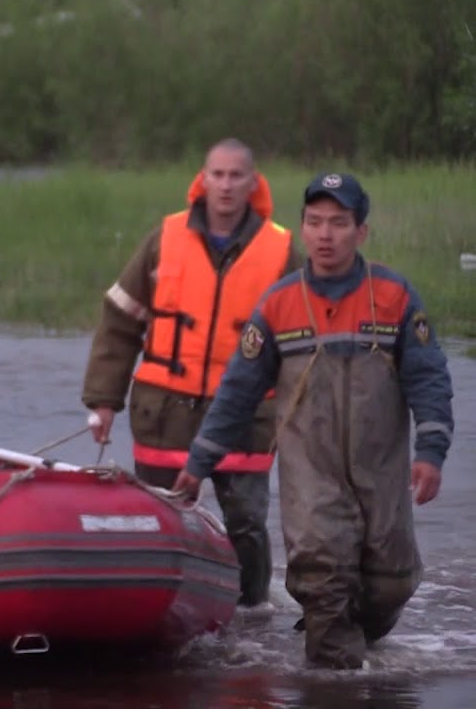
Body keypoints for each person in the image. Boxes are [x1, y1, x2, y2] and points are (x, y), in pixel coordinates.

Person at [172, 172, 455, 669]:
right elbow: (237, 394)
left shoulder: (394, 297)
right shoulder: (279, 305)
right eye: (315, 222)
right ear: (302, 229)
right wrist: (199, 463)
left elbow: (429, 378)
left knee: (392, 581)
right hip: (312, 480)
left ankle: (346, 644)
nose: (326, 235)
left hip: (381, 475)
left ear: (361, 231)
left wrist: (431, 451)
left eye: (339, 223)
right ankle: (332, 675)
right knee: (324, 583)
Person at [80, 138, 300, 608]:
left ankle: (252, 612)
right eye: (216, 174)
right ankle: (158, 605)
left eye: (235, 175)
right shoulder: (165, 239)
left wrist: (300, 418)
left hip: (246, 420)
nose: (224, 185)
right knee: (159, 519)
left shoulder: (280, 251)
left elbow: (301, 348)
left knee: (246, 524)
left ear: (253, 182)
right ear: (201, 179)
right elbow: (120, 321)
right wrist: (103, 401)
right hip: (164, 412)